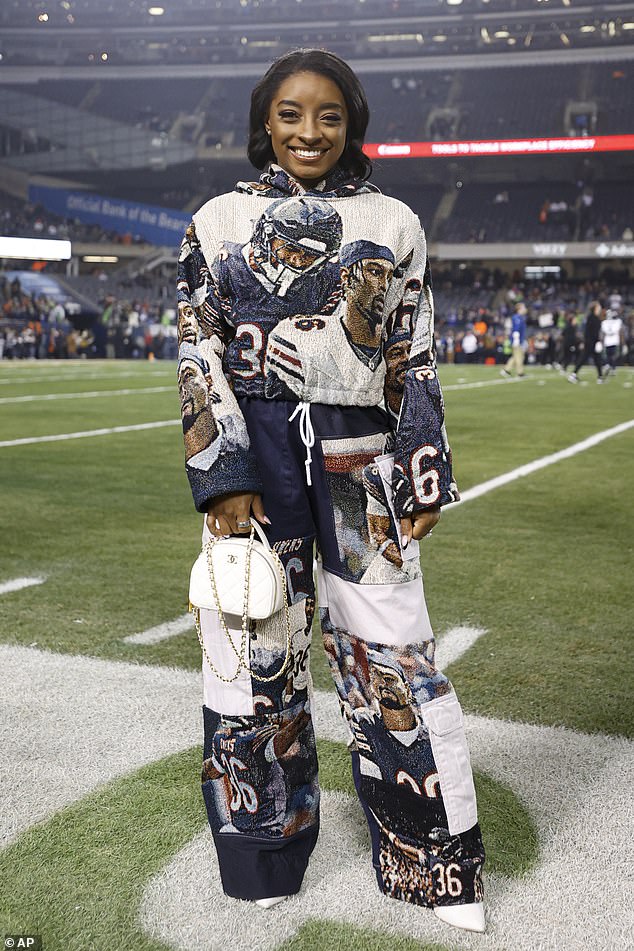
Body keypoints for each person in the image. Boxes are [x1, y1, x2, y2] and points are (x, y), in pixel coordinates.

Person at [176, 49, 485, 934]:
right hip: (258, 458)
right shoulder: (218, 219)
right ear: (263, 122)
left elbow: (412, 355)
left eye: (328, 116)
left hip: (364, 459)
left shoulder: (393, 221)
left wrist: (424, 467)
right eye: (289, 114)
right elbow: (199, 349)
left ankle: (432, 861)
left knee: (392, 658)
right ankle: (263, 851)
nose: (308, 131)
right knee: (254, 652)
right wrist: (222, 477)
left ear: (352, 125)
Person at [568, 301, 604, 384]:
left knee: (591, 359)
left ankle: (574, 375)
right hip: (591, 342)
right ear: (595, 308)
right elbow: (591, 332)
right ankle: (599, 377)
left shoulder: (592, 317)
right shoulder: (593, 318)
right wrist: (597, 342)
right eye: (598, 307)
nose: (600, 309)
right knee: (591, 359)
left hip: (590, 342)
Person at [500, 301, 527, 378]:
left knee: (516, 356)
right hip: (516, 340)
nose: (525, 309)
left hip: (518, 339)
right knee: (519, 356)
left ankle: (506, 370)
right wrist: (516, 340)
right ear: (519, 309)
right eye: (523, 307)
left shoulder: (519, 317)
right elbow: (516, 329)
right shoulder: (517, 317)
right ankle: (520, 373)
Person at [601, 308, 624, 376]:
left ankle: (608, 365)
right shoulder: (618, 322)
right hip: (614, 341)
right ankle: (613, 369)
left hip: (607, 341)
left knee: (608, 356)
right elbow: (619, 332)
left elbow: (604, 333)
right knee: (613, 356)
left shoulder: (604, 323)